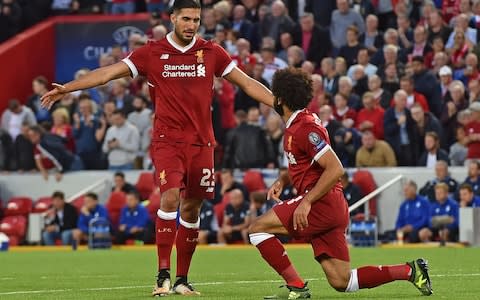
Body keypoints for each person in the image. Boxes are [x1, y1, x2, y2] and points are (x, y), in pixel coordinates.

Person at [40, 0, 274, 296]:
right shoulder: (151, 53)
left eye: (196, 20)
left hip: (202, 143)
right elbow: (108, 73)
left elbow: (247, 83)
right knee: (170, 197)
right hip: (167, 142)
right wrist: (68, 88)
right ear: (173, 18)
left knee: (192, 207)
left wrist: (281, 105)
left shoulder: (211, 52)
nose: (191, 25)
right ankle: (162, 274)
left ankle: (182, 280)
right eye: (186, 19)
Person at [248, 68, 432, 299]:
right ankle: (410, 271)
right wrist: (284, 178)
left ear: (281, 99)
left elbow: (335, 168)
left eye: (275, 94)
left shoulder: (305, 128)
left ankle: (296, 287)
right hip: (331, 206)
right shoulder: (301, 122)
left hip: (320, 204)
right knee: (342, 281)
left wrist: (306, 202)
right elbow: (306, 162)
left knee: (257, 229)